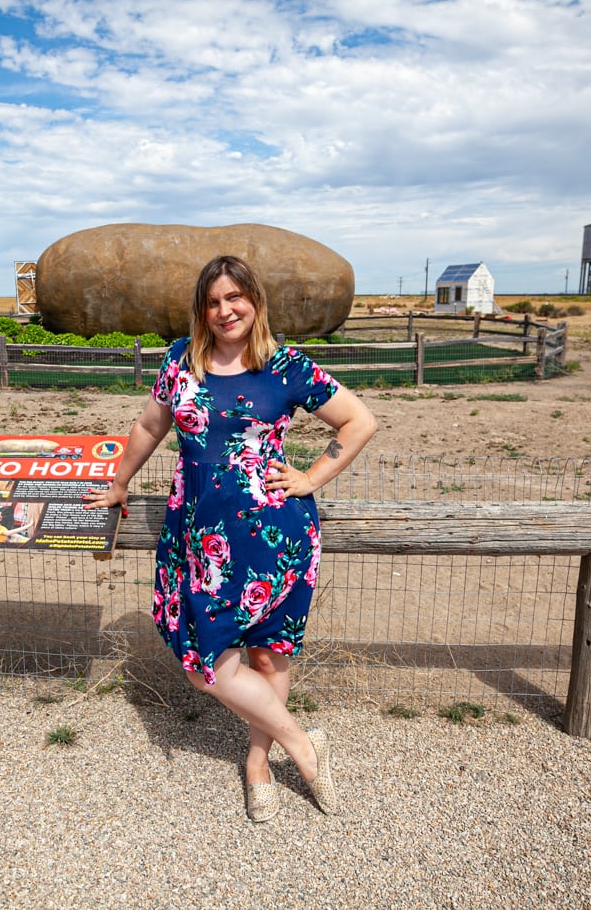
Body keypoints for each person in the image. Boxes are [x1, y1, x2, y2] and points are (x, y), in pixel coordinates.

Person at [83, 255, 377, 821]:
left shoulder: (286, 366)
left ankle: (258, 765)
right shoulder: (180, 362)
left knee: (268, 657)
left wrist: (310, 478)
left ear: (254, 301)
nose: (225, 311)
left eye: (234, 298)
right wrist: (119, 483)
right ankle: (304, 747)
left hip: (275, 536)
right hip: (199, 542)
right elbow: (149, 425)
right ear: (202, 310)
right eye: (213, 302)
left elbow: (359, 420)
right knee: (205, 667)